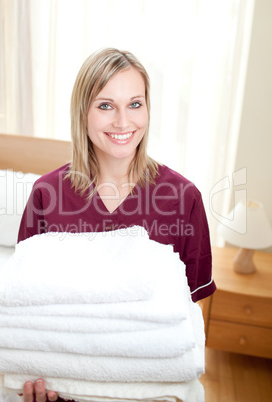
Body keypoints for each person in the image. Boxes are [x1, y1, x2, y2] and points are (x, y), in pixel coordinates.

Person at [17, 48, 216, 402]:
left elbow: (190, 316)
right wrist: (35, 369)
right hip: (64, 387)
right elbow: (28, 303)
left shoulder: (184, 198)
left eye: (135, 104)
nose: (123, 122)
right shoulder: (47, 194)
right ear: (83, 113)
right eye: (106, 105)